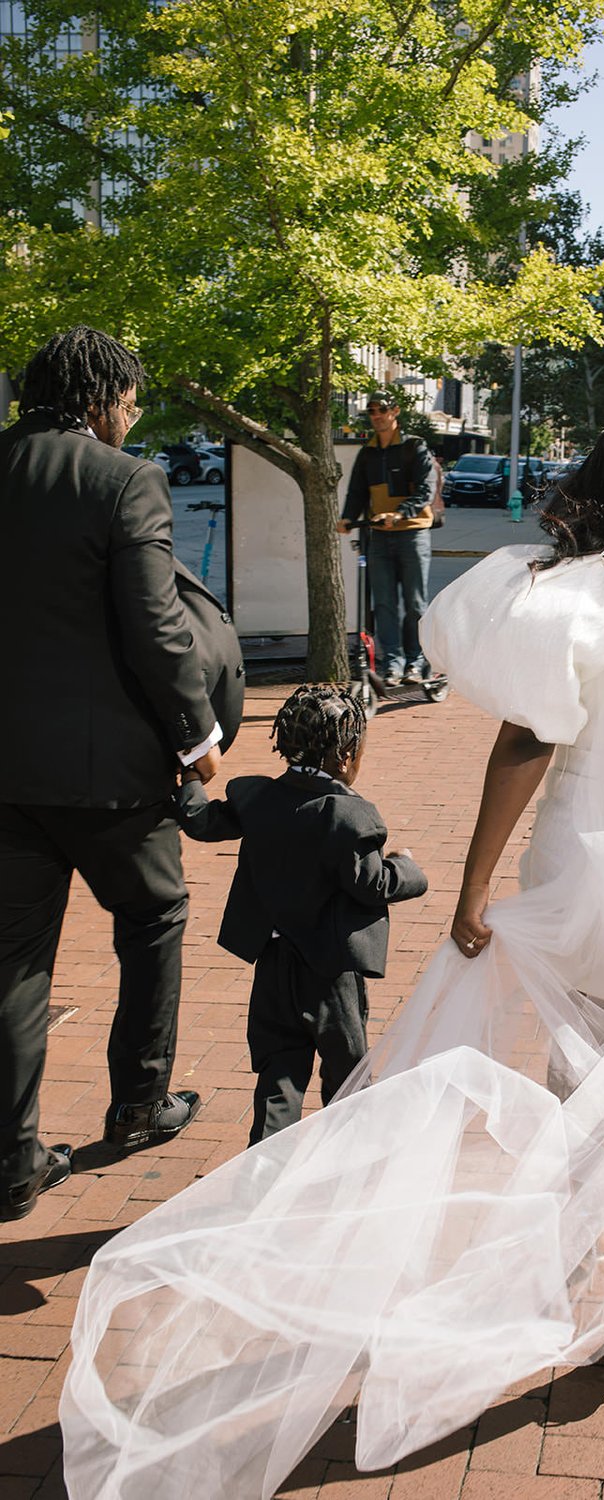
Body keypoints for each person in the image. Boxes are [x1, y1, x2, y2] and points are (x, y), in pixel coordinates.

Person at [61, 396, 604, 1495]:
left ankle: (586, 1272)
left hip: (573, 872)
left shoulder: (574, 597)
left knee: (578, 1079)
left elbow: (523, 746)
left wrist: (470, 888)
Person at [0, 326, 241, 1224]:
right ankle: (138, 1107)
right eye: (130, 401)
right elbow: (156, 628)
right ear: (100, 399)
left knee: (15, 966)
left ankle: (14, 1163)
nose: (132, 417)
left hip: (6, 778)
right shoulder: (123, 480)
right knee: (152, 918)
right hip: (111, 780)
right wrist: (196, 736)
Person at [173, 685, 428, 1143]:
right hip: (331, 975)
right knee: (346, 1075)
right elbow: (373, 884)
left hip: (271, 964)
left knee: (279, 1072)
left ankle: (265, 1173)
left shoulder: (256, 799)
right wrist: (405, 866)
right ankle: (346, 1164)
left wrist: (190, 779)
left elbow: (202, 822)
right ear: (347, 756)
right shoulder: (348, 816)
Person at [336, 391, 436, 685]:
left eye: (382, 409)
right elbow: (357, 491)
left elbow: (425, 490)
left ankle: (416, 662)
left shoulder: (414, 448)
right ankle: (393, 664)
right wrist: (347, 518)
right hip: (378, 537)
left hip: (412, 534)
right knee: (384, 604)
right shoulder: (367, 453)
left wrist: (401, 513)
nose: (376, 415)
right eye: (372, 411)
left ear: (395, 412)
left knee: (416, 604)